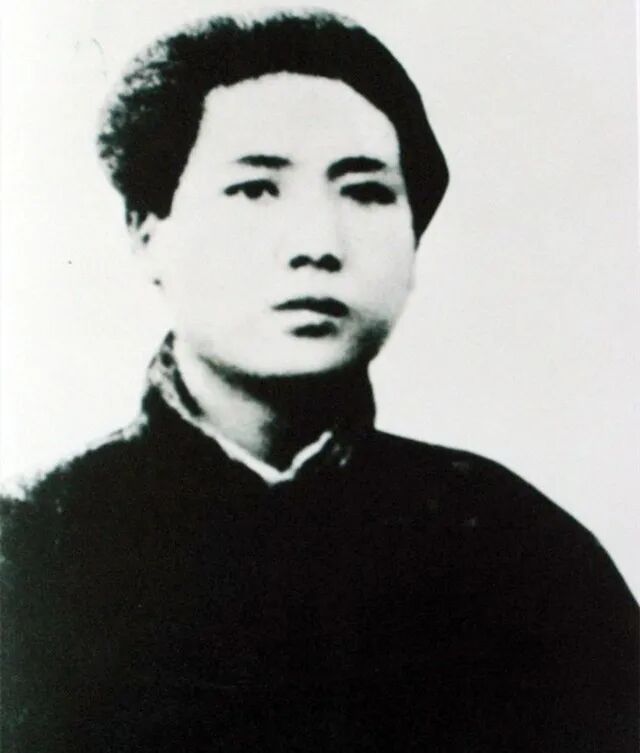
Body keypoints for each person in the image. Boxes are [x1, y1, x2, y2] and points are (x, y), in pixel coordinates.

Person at [1, 10, 637, 753]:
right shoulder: (31, 549)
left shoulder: (522, 552)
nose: (317, 245)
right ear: (148, 231)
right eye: (254, 190)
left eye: (365, 192)